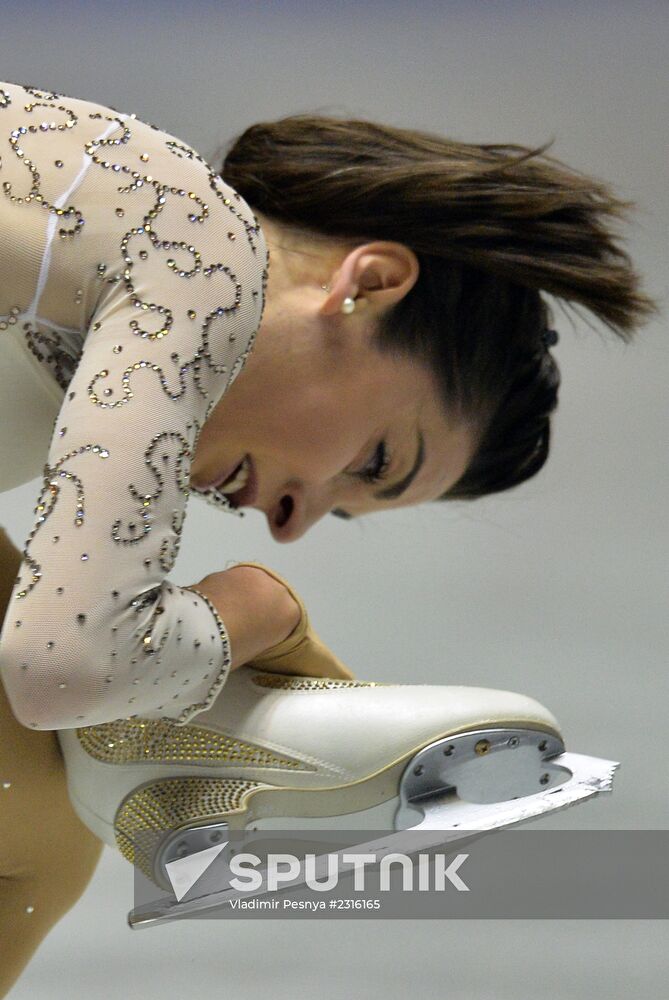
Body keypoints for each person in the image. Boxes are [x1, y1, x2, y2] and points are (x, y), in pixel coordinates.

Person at [0, 80, 658, 994]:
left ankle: (156, 752)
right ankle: (169, 752)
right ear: (369, 285)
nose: (293, 521)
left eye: (339, 512)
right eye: (375, 460)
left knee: (37, 808)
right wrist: (258, 610)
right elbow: (63, 664)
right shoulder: (202, 259)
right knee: (33, 824)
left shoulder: (115, 234)